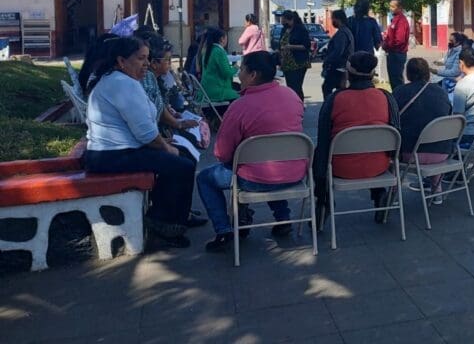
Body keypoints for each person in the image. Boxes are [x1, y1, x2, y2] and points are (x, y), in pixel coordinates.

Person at [83, 36, 196, 248]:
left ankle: (178, 214)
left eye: (148, 58)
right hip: (112, 155)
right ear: (121, 61)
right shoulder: (122, 84)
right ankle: (164, 226)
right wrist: (166, 147)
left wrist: (165, 143)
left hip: (115, 152)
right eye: (140, 58)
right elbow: (146, 134)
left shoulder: (121, 80)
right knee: (182, 165)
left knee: (183, 156)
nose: (146, 64)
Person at [197, 51, 308, 252]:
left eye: (241, 69)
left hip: (255, 178)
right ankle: (283, 219)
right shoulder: (292, 96)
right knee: (273, 160)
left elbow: (222, 153)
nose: (238, 74)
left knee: (205, 178)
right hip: (295, 173)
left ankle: (224, 230)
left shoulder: (240, 106)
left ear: (253, 74)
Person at [314, 51, 400, 223]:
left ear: (348, 72)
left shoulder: (335, 99)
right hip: (378, 166)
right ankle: (379, 193)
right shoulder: (386, 98)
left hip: (341, 168)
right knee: (372, 142)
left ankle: (324, 201)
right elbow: (396, 135)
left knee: (318, 152)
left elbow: (323, 140)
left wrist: (320, 175)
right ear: (372, 73)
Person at [393, 58, 453, 202]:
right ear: (427, 73)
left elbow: (392, 120)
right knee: (434, 137)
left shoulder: (399, 92)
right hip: (442, 153)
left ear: (408, 74)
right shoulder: (441, 92)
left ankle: (393, 193)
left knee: (392, 145)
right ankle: (437, 190)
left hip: (410, 154)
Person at [199, 27, 240, 106]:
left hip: (206, 89)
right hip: (217, 91)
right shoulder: (219, 51)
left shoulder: (208, 50)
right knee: (241, 96)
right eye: (226, 37)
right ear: (222, 39)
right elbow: (227, 73)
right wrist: (235, 68)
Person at [278, 10, 311, 100]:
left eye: (284, 21)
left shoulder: (300, 29)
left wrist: (290, 46)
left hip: (298, 62)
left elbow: (306, 46)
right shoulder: (284, 30)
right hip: (286, 63)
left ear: (291, 19)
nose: (283, 23)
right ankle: (292, 103)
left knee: (296, 87)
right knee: (290, 87)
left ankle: (299, 104)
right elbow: (280, 44)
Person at [321, 9, 354, 100]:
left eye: (332, 19)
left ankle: (330, 106)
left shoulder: (342, 33)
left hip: (339, 66)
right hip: (342, 65)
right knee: (338, 89)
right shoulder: (346, 31)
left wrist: (328, 60)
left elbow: (338, 51)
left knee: (327, 87)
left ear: (338, 19)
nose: (332, 21)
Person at [383, 0, 410, 90]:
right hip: (392, 53)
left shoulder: (401, 20)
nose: (391, 8)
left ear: (400, 8)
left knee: (396, 80)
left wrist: (387, 46)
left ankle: (400, 97)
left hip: (397, 53)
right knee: (393, 79)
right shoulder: (395, 19)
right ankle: (396, 95)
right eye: (390, 6)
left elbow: (399, 40)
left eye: (393, 7)